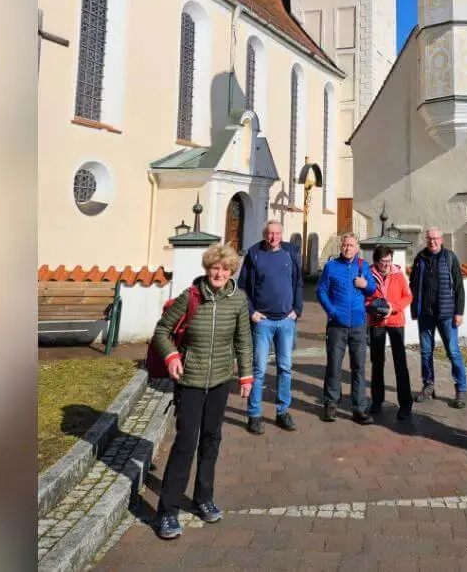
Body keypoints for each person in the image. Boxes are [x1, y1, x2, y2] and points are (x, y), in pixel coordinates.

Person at [152, 244, 253, 539]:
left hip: (221, 380)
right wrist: (171, 356)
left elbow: (243, 340)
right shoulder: (191, 296)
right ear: (207, 269)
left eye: (224, 269)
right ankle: (167, 511)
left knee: (211, 440)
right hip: (191, 381)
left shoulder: (238, 299)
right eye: (214, 268)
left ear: (231, 271)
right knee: (186, 442)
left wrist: (246, 376)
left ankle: (203, 498)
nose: (219, 273)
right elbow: (162, 331)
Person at [237, 219, 302, 435]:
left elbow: (298, 283)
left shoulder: (290, 254)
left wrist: (297, 309)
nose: (273, 237)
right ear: (264, 234)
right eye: (270, 234)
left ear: (282, 234)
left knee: (285, 368)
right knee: (259, 369)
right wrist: (251, 311)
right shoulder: (254, 254)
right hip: (263, 321)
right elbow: (242, 287)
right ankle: (254, 414)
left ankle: (282, 412)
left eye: (277, 233)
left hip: (286, 320)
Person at [316, 233, 376, 424]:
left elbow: (372, 289)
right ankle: (331, 404)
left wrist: (365, 284)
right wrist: (332, 311)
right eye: (345, 245)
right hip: (337, 325)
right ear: (341, 247)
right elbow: (321, 291)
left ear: (357, 248)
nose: (348, 248)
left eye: (351, 245)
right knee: (334, 365)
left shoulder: (363, 266)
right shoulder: (331, 266)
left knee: (359, 367)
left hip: (358, 324)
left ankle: (359, 408)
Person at [409, 227, 467, 408]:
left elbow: (459, 287)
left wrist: (459, 312)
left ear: (441, 239)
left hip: (447, 314)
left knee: (453, 352)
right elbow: (413, 284)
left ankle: (461, 390)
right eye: (429, 239)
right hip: (426, 315)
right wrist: (415, 308)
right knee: (426, 352)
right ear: (426, 240)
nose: (432, 242)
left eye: (435, 238)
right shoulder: (420, 258)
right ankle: (428, 385)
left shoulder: (450, 257)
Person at [366, 244, 414, 421]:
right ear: (376, 261)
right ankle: (377, 402)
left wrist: (394, 307)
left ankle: (405, 405)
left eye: (389, 260)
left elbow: (408, 296)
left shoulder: (399, 275)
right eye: (383, 261)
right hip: (377, 323)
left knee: (400, 363)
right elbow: (365, 297)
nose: (387, 264)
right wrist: (372, 307)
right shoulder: (369, 274)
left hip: (395, 322)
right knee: (377, 363)